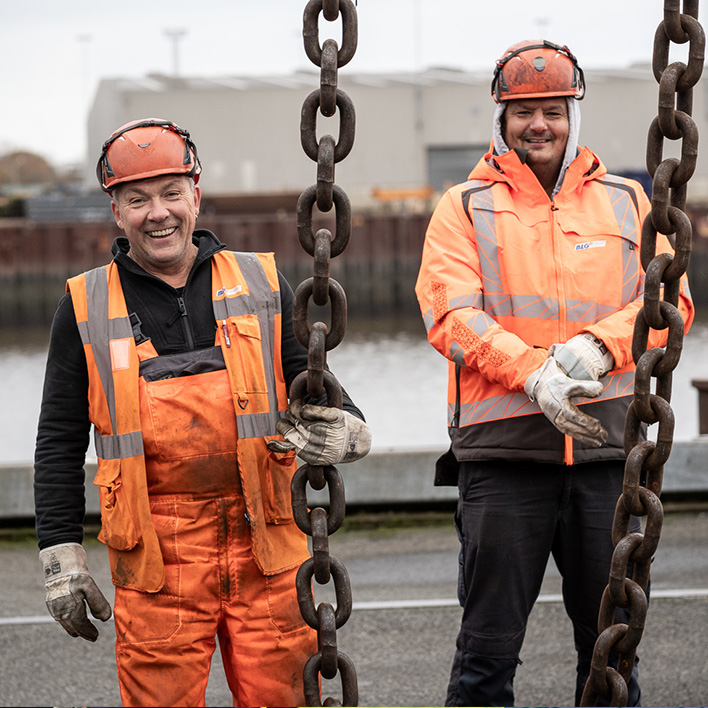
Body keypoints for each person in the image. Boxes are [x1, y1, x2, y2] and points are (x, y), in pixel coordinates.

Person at [34, 117, 371, 708]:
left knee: (286, 698)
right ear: (116, 211)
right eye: (137, 200)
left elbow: (307, 377)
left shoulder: (259, 283)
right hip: (158, 557)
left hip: (266, 539)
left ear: (196, 193)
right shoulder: (83, 304)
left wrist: (348, 422)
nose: (157, 213)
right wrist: (60, 553)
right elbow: (59, 440)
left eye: (170, 193)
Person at [415, 40, 693, 706]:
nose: (538, 124)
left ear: (574, 115)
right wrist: (533, 372)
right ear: (500, 119)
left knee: (609, 650)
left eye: (553, 110)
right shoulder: (465, 206)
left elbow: (670, 299)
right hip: (504, 459)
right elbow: (449, 313)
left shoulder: (629, 202)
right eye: (522, 111)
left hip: (606, 463)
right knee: (486, 651)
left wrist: (602, 346)